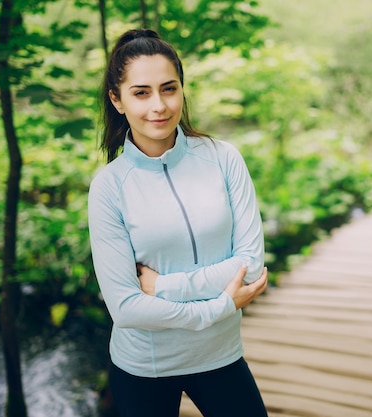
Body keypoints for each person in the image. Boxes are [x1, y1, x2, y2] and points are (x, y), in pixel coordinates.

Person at [87, 28, 269, 417]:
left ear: (182, 90)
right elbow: (127, 309)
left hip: (221, 356)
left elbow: (250, 265)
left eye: (169, 89)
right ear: (117, 101)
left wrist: (162, 286)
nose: (159, 105)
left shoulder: (223, 158)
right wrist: (218, 307)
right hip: (145, 367)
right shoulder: (109, 187)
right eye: (141, 93)